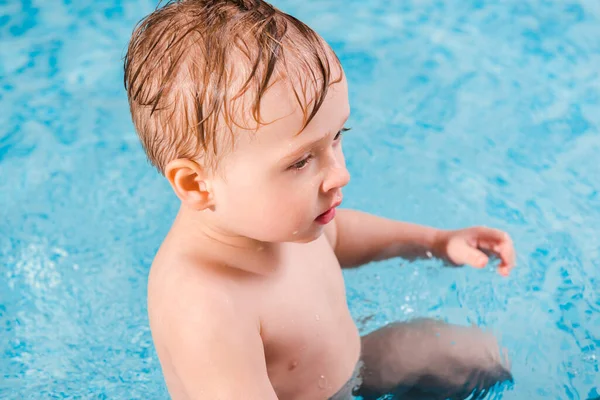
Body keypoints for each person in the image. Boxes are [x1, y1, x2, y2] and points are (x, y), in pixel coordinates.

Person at [123, 1, 516, 398]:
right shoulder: (205, 305)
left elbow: (340, 235)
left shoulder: (276, 217)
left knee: (483, 354)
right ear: (196, 185)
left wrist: (434, 242)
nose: (341, 173)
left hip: (356, 363)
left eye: (338, 135)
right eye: (301, 161)